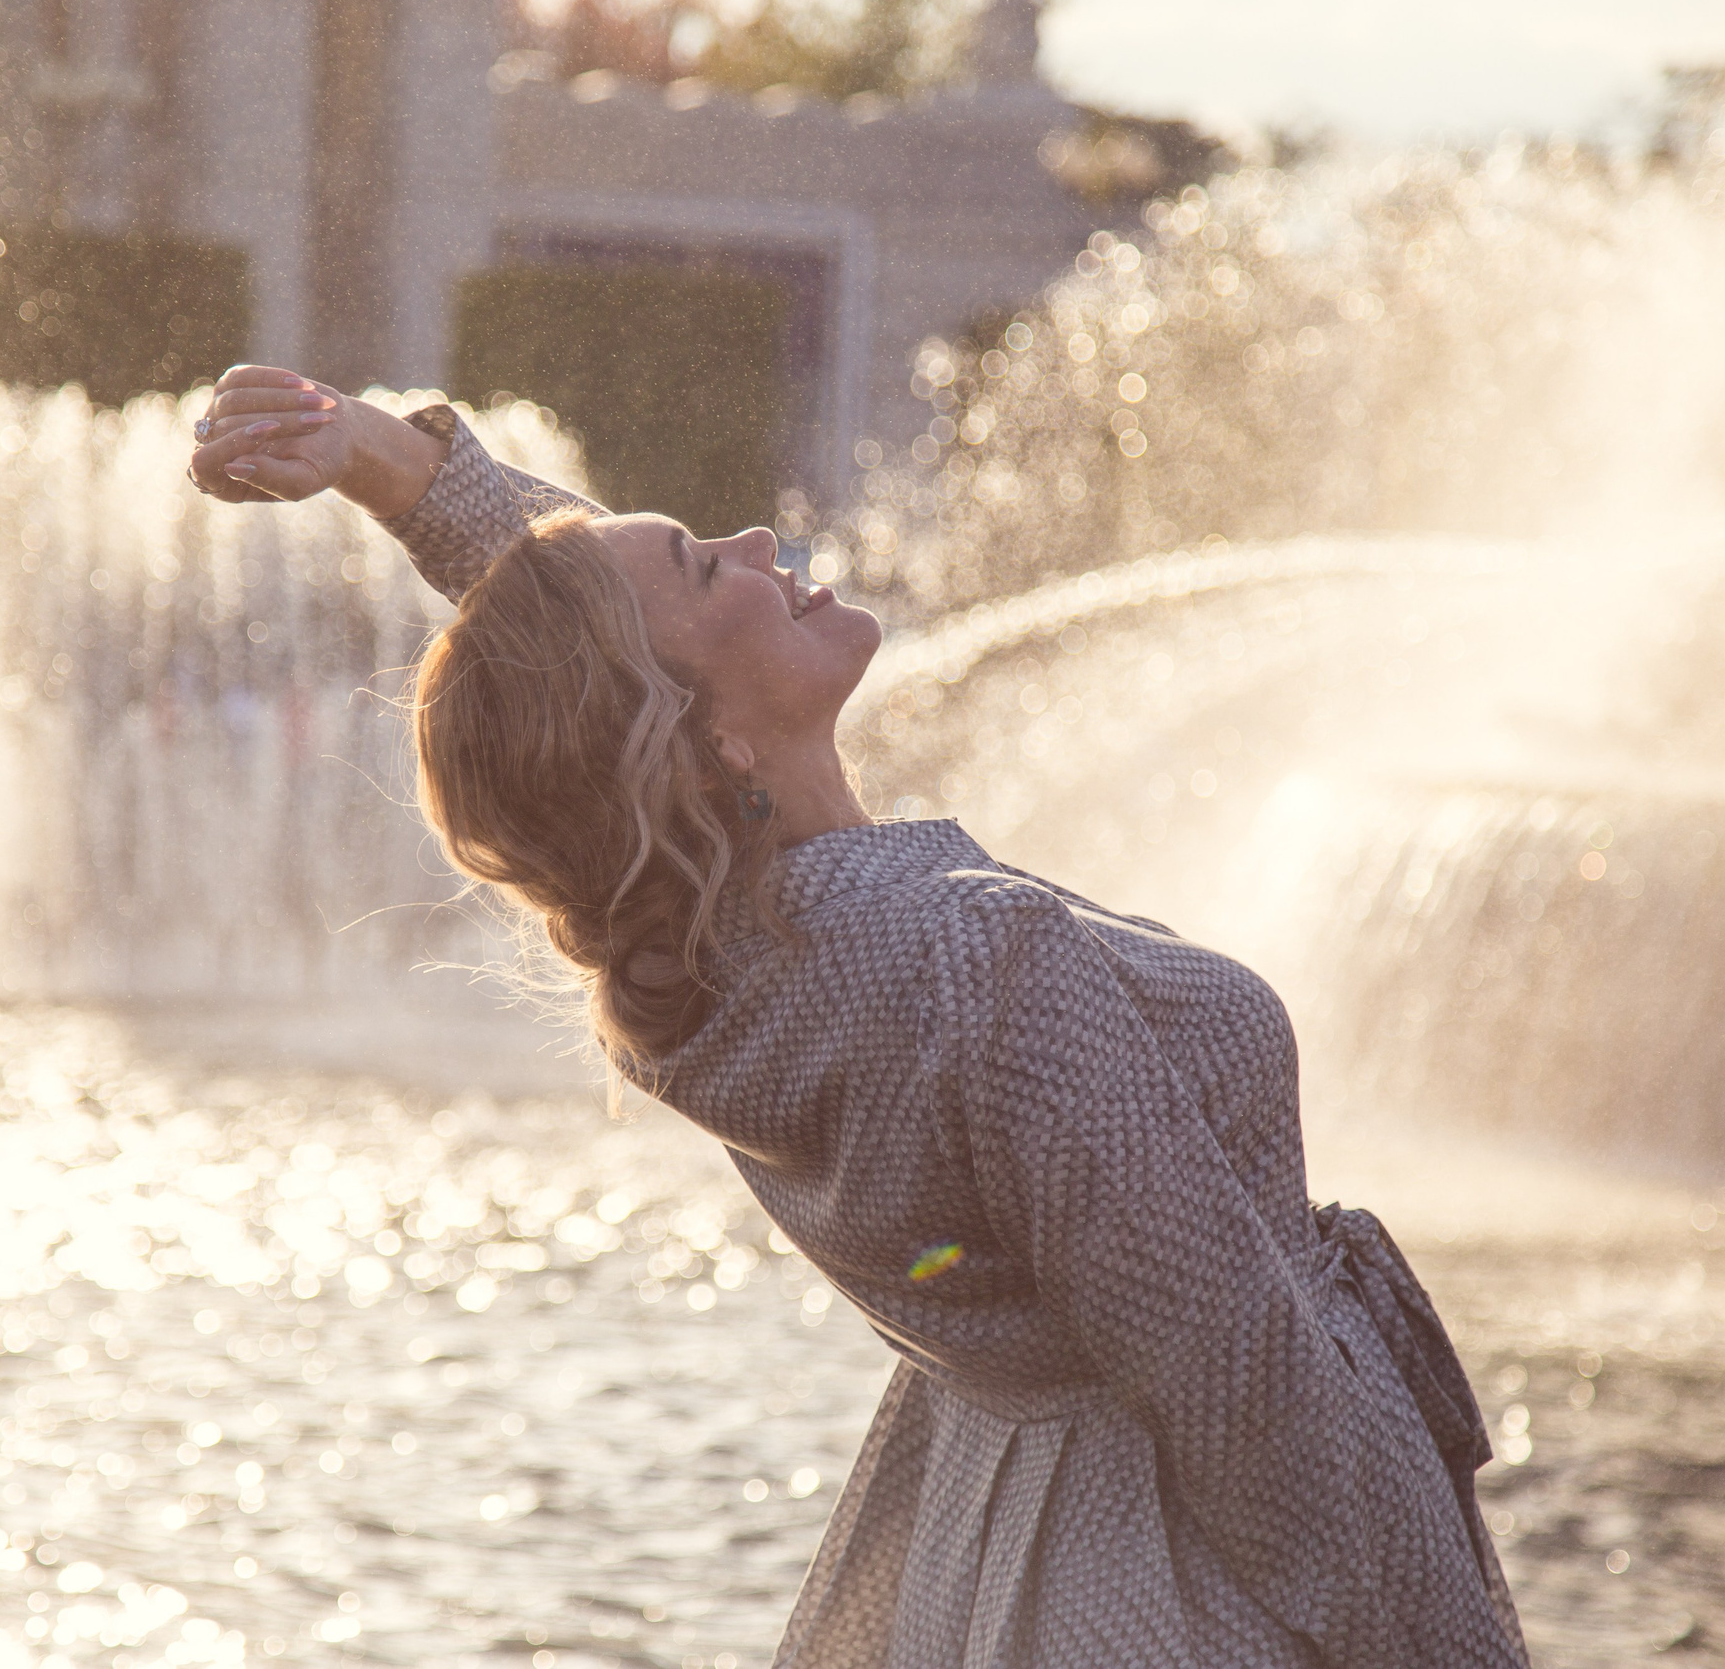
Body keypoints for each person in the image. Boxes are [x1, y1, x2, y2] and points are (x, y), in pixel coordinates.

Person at [187, 368, 1530, 1669]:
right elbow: (1256, 1410)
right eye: (715, 567)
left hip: (1003, 1557)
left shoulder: (716, 969)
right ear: (704, 743)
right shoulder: (980, 965)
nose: (759, 538)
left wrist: (393, 467)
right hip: (1195, 1598)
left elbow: (584, 640)